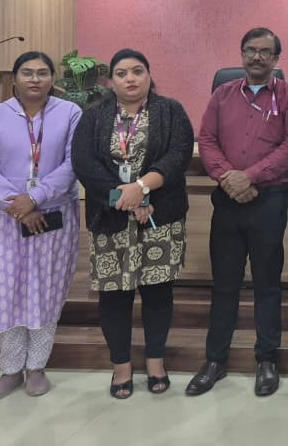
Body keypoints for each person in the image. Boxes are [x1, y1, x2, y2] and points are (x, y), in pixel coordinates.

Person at [187, 28, 288, 398]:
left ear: (276, 58)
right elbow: (206, 140)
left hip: (269, 201)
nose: (257, 57)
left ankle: (267, 359)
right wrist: (229, 178)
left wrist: (250, 176)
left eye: (265, 51)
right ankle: (215, 360)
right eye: (251, 50)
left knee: (267, 283)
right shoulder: (222, 95)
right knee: (224, 283)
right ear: (241, 54)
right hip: (227, 200)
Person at [71, 48, 194, 399]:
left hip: (160, 217)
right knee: (114, 297)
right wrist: (125, 198)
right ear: (111, 81)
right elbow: (83, 163)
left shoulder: (170, 111)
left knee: (158, 294)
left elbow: (178, 155)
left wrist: (142, 188)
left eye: (138, 71)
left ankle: (156, 362)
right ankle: (121, 366)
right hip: (111, 219)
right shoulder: (94, 115)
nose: (130, 78)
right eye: (121, 73)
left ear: (149, 75)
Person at [0, 51, 83, 400]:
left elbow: (73, 163)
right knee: (6, 289)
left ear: (53, 78)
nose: (34, 79)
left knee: (46, 288)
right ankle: (9, 369)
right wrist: (18, 204)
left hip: (53, 216)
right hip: (6, 217)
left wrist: (35, 197)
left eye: (42, 72)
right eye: (27, 72)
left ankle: (36, 367)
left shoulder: (70, 113)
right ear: (14, 78)